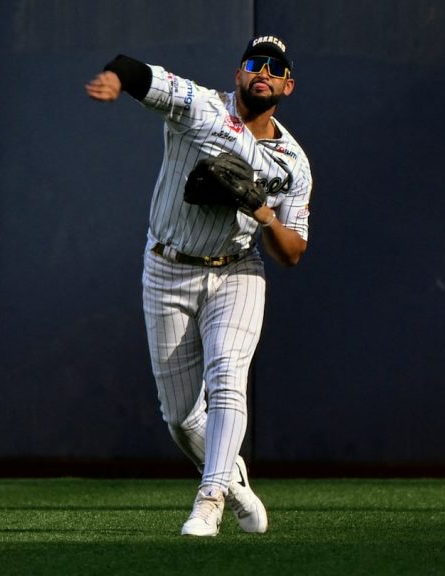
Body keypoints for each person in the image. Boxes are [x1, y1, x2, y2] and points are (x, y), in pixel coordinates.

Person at [85, 35, 312, 537]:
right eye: (255, 63)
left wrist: (261, 212)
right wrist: (115, 79)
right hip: (168, 266)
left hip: (237, 270)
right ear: (238, 74)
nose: (263, 72)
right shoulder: (202, 107)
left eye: (275, 69)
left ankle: (209, 500)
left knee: (228, 376)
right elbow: (136, 69)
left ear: (287, 86)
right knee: (181, 417)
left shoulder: (293, 163)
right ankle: (234, 482)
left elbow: (292, 252)